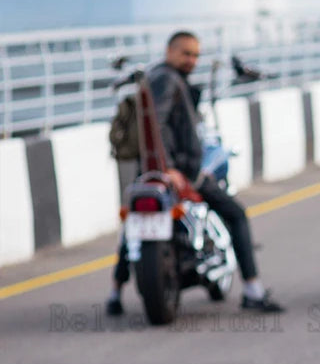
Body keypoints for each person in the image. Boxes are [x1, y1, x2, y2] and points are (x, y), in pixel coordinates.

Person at [106, 31, 284, 314]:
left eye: (195, 55)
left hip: (151, 171)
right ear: (169, 51)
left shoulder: (160, 78)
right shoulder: (167, 80)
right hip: (180, 172)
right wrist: (172, 169)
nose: (191, 60)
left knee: (134, 226)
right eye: (185, 53)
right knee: (236, 215)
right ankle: (253, 289)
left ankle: (115, 294)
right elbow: (159, 124)